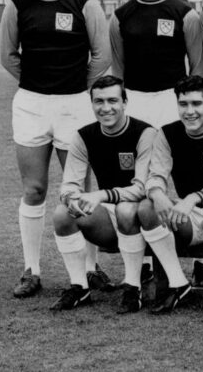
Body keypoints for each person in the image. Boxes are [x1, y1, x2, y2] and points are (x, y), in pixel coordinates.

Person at [0, 0, 111, 298]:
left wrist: (75, 88)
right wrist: (38, 85)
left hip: (75, 105)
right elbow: (8, 56)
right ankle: (32, 270)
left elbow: (102, 55)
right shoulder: (17, 4)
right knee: (34, 189)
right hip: (32, 105)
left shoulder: (86, 4)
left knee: (81, 189)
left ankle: (92, 269)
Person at [50, 76, 154, 313]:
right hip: (110, 215)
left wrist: (100, 195)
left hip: (146, 217)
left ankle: (133, 287)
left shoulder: (145, 133)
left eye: (112, 100)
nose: (105, 108)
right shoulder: (84, 135)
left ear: (125, 102)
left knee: (126, 208)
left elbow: (142, 188)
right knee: (62, 214)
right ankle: (79, 286)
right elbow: (69, 185)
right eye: (99, 101)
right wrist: (71, 199)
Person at [137, 76, 203, 314]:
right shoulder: (167, 133)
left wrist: (194, 197)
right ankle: (178, 283)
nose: (190, 111)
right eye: (183, 104)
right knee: (146, 207)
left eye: (196, 104)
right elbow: (155, 174)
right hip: (189, 215)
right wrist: (156, 193)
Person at [109, 0, 203, 127]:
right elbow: (117, 70)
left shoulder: (186, 15)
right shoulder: (119, 17)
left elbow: (199, 69)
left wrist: (190, 105)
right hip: (134, 101)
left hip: (173, 100)